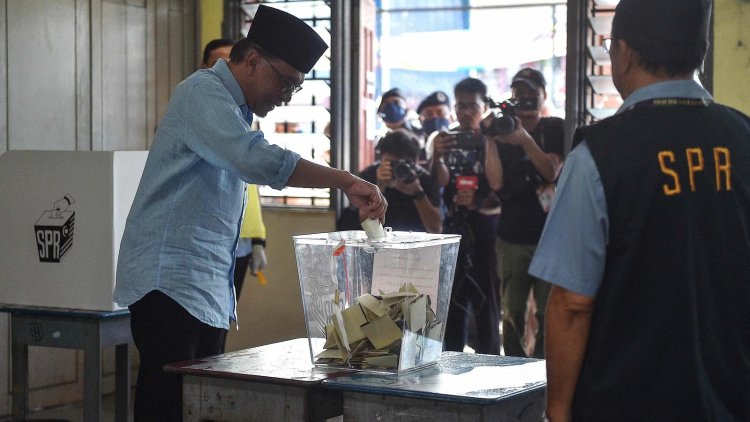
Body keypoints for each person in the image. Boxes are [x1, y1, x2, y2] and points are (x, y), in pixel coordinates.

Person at [113, 5, 387, 421]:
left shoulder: (237, 112)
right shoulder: (200, 93)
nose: (287, 95)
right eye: (286, 82)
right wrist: (346, 180)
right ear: (253, 60)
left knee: (199, 402)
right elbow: (255, 160)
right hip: (168, 282)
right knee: (167, 403)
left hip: (205, 284)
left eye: (297, 88)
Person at [529, 0, 750, 420]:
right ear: (699, 52)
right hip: (732, 395)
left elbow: (573, 303)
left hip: (627, 400)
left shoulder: (600, 153)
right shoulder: (743, 137)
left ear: (625, 52)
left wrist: (557, 412)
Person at [484, 68, 564, 358]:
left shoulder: (555, 128)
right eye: (521, 99)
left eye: (533, 97)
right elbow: (495, 182)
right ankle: (515, 367)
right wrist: (491, 137)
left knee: (548, 313)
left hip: (550, 239)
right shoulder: (502, 132)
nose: (527, 104)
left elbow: (551, 171)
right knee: (513, 311)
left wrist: (525, 140)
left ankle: (544, 370)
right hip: (512, 237)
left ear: (544, 96)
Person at [201, 38, 269, 353]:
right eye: (221, 63)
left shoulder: (244, 117)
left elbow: (248, 189)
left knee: (221, 323)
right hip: (205, 241)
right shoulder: (196, 106)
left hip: (239, 242)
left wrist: (257, 242)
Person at [433, 78, 502, 355]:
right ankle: (451, 363)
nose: (465, 112)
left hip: (486, 228)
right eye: (460, 105)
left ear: (483, 106)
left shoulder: (491, 140)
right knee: (452, 303)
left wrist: (478, 200)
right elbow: (438, 182)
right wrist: (436, 156)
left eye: (472, 106)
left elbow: (498, 185)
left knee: (487, 303)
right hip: (453, 227)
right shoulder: (446, 138)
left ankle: (491, 361)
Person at [359, 129, 443, 233]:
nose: (398, 169)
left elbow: (436, 229)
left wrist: (418, 193)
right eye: (392, 163)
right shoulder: (369, 175)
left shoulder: (424, 178)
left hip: (416, 242)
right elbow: (364, 227)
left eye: (405, 164)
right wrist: (379, 188)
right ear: (381, 158)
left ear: (416, 161)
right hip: (380, 242)